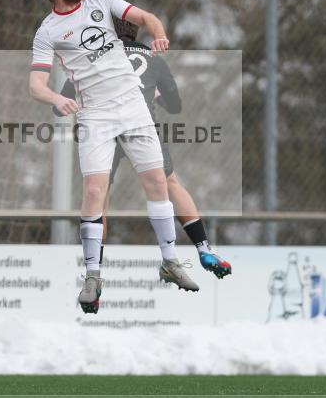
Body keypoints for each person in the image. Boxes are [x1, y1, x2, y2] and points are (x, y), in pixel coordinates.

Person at [30, 0, 196, 314]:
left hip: (133, 107)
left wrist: (160, 33)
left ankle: (170, 261)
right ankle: (92, 275)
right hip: (95, 115)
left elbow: (146, 18)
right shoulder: (47, 32)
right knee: (93, 192)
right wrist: (57, 98)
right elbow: (35, 85)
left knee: (157, 182)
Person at [53, 18, 232, 280]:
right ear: (136, 33)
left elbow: (59, 104)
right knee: (170, 183)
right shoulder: (153, 60)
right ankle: (203, 248)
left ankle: (94, 272)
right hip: (141, 127)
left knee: (98, 195)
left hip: (103, 132)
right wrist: (155, 93)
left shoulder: (89, 59)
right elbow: (176, 106)